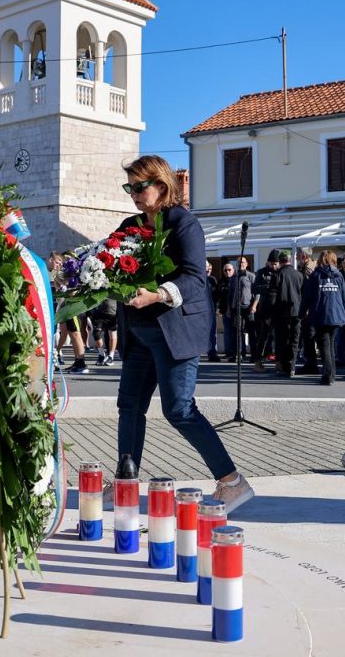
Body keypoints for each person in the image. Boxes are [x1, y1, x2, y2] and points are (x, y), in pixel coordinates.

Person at [115, 155, 253, 512]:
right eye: (129, 187)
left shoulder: (183, 223)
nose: (133, 193)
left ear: (161, 185)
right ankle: (125, 484)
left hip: (175, 329)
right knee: (129, 406)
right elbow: (108, 263)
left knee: (179, 409)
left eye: (139, 186)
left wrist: (158, 294)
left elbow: (194, 278)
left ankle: (232, 481)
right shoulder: (129, 226)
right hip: (140, 331)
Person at [301, 250, 345, 385]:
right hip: (335, 315)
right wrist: (342, 314)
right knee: (331, 345)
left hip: (320, 315)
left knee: (324, 346)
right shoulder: (339, 276)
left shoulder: (316, 275)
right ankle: (331, 374)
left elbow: (307, 297)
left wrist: (301, 313)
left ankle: (328, 376)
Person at [271, 250, 304, 377]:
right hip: (296, 311)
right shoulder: (299, 275)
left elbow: (273, 297)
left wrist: (270, 314)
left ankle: (284, 366)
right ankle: (292, 366)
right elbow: (303, 295)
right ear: (290, 260)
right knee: (294, 340)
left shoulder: (277, 274)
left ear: (280, 261)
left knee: (282, 340)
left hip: (281, 312)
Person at [250, 254, 280, 371]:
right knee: (263, 337)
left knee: (279, 338)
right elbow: (255, 289)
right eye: (271, 263)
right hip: (265, 309)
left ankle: (279, 362)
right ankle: (258, 362)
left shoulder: (280, 272)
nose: (273, 266)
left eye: (275, 263)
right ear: (268, 262)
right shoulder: (261, 272)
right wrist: (270, 288)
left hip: (278, 309)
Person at [222, 261, 252, 362]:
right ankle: (238, 354)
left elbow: (256, 292)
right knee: (237, 332)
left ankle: (253, 356)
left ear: (246, 264)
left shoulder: (251, 276)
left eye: (242, 262)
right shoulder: (234, 279)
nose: (240, 264)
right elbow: (230, 295)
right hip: (236, 309)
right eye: (239, 263)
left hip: (248, 308)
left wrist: (254, 305)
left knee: (251, 332)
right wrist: (229, 309)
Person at [91, 296, 119, 366]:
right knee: (96, 334)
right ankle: (101, 354)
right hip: (99, 312)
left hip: (113, 313)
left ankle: (111, 357)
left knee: (112, 334)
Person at [205, 260, 221, 362]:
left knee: (212, 332)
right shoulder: (198, 279)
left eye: (210, 269)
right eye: (207, 268)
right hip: (199, 310)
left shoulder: (213, 280)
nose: (208, 270)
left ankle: (212, 353)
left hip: (211, 309)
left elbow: (217, 294)